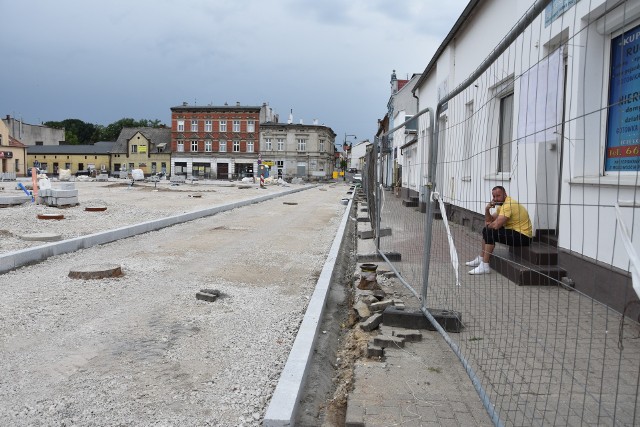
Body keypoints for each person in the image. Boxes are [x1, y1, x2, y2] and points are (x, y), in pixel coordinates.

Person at [466, 185, 533, 275]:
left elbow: (496, 225)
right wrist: (487, 209)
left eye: (498, 196)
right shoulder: (502, 205)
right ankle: (481, 259)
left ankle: (485, 265)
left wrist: (489, 225)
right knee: (486, 230)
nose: (496, 199)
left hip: (523, 237)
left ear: (505, 194)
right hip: (514, 232)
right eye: (494, 196)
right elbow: (489, 221)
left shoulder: (508, 205)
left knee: (490, 231)